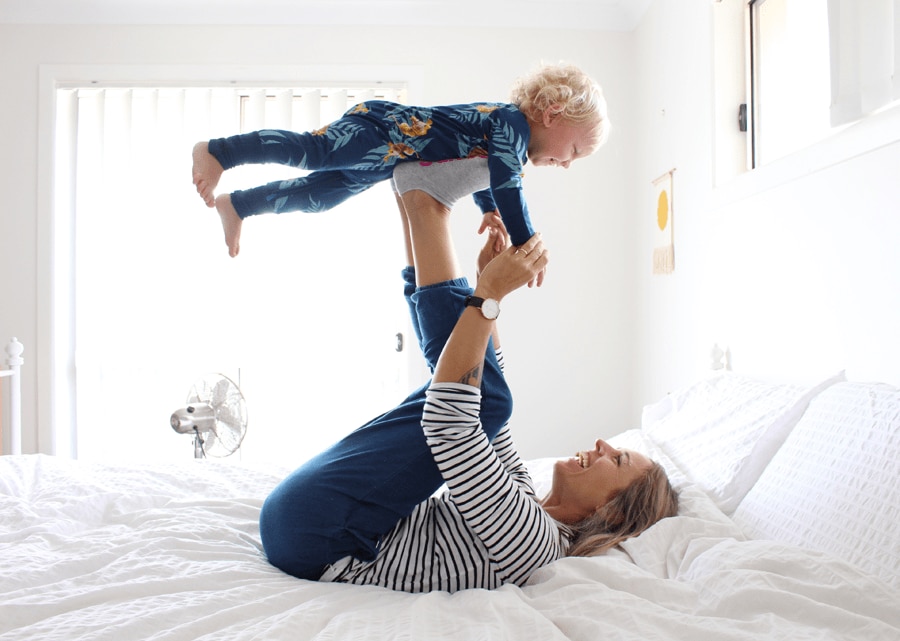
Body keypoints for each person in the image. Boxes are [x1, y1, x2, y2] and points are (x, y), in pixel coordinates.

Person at [257, 159, 678, 593]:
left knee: (484, 400)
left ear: (612, 513)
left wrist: (489, 295)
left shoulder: (538, 545)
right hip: (308, 520)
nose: (603, 444)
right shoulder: (525, 500)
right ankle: (412, 202)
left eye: (619, 459)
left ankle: (426, 204)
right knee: (482, 393)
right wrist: (484, 285)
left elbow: (452, 424)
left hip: (319, 538)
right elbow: (488, 397)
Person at [192, 62, 610, 257]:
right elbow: (505, 181)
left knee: (324, 196)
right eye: (574, 151)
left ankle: (240, 205)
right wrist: (526, 242)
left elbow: (486, 173)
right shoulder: (513, 124)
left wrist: (489, 210)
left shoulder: (510, 145)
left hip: (388, 159)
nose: (568, 163)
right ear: (553, 115)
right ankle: (219, 151)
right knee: (314, 151)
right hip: (383, 129)